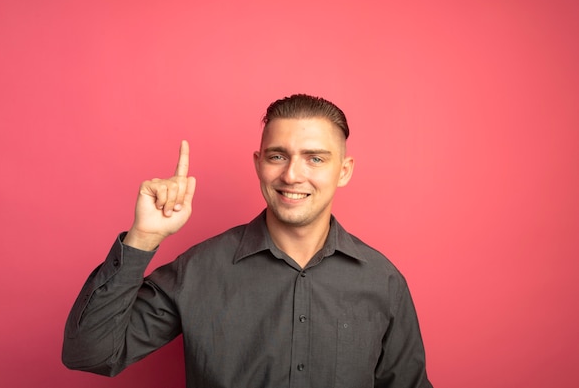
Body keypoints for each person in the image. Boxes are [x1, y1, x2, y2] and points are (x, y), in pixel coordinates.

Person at [62, 94, 433, 388]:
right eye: (277, 156)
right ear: (259, 164)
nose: (292, 174)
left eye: (315, 158)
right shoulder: (199, 270)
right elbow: (89, 355)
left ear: (344, 171)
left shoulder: (382, 281)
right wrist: (142, 238)